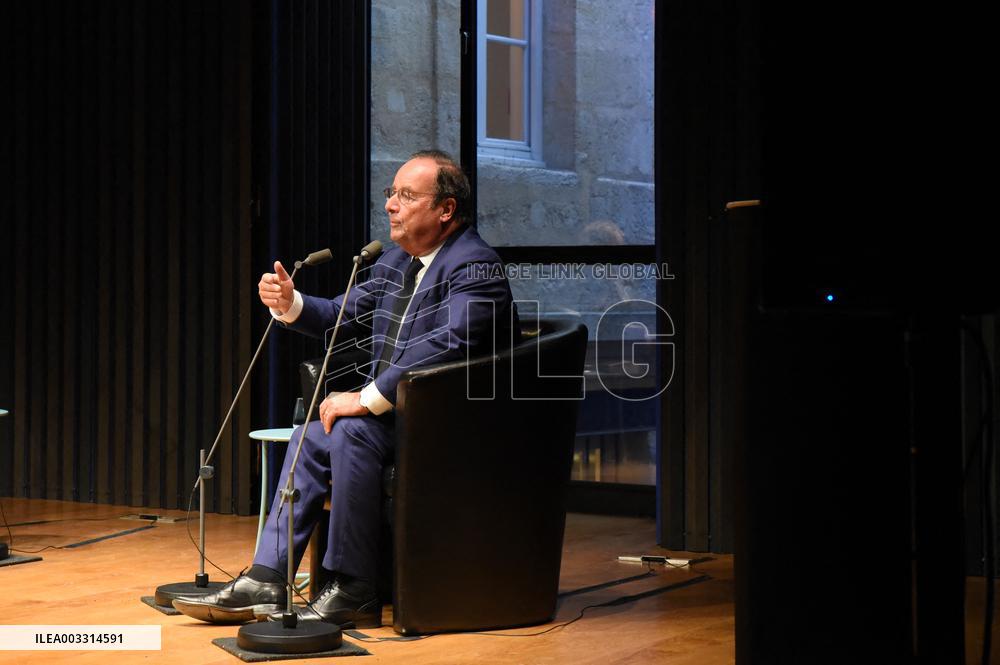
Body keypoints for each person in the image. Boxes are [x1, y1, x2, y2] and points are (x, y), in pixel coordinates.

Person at [173, 150, 519, 627]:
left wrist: (367, 397)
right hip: (400, 421)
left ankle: (354, 587)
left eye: (407, 196)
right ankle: (268, 576)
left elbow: (453, 342)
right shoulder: (398, 262)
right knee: (308, 436)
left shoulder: (476, 267)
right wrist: (291, 303)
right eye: (391, 194)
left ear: (446, 210)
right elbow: (341, 314)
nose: (392, 206)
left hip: (453, 428)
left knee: (352, 429)